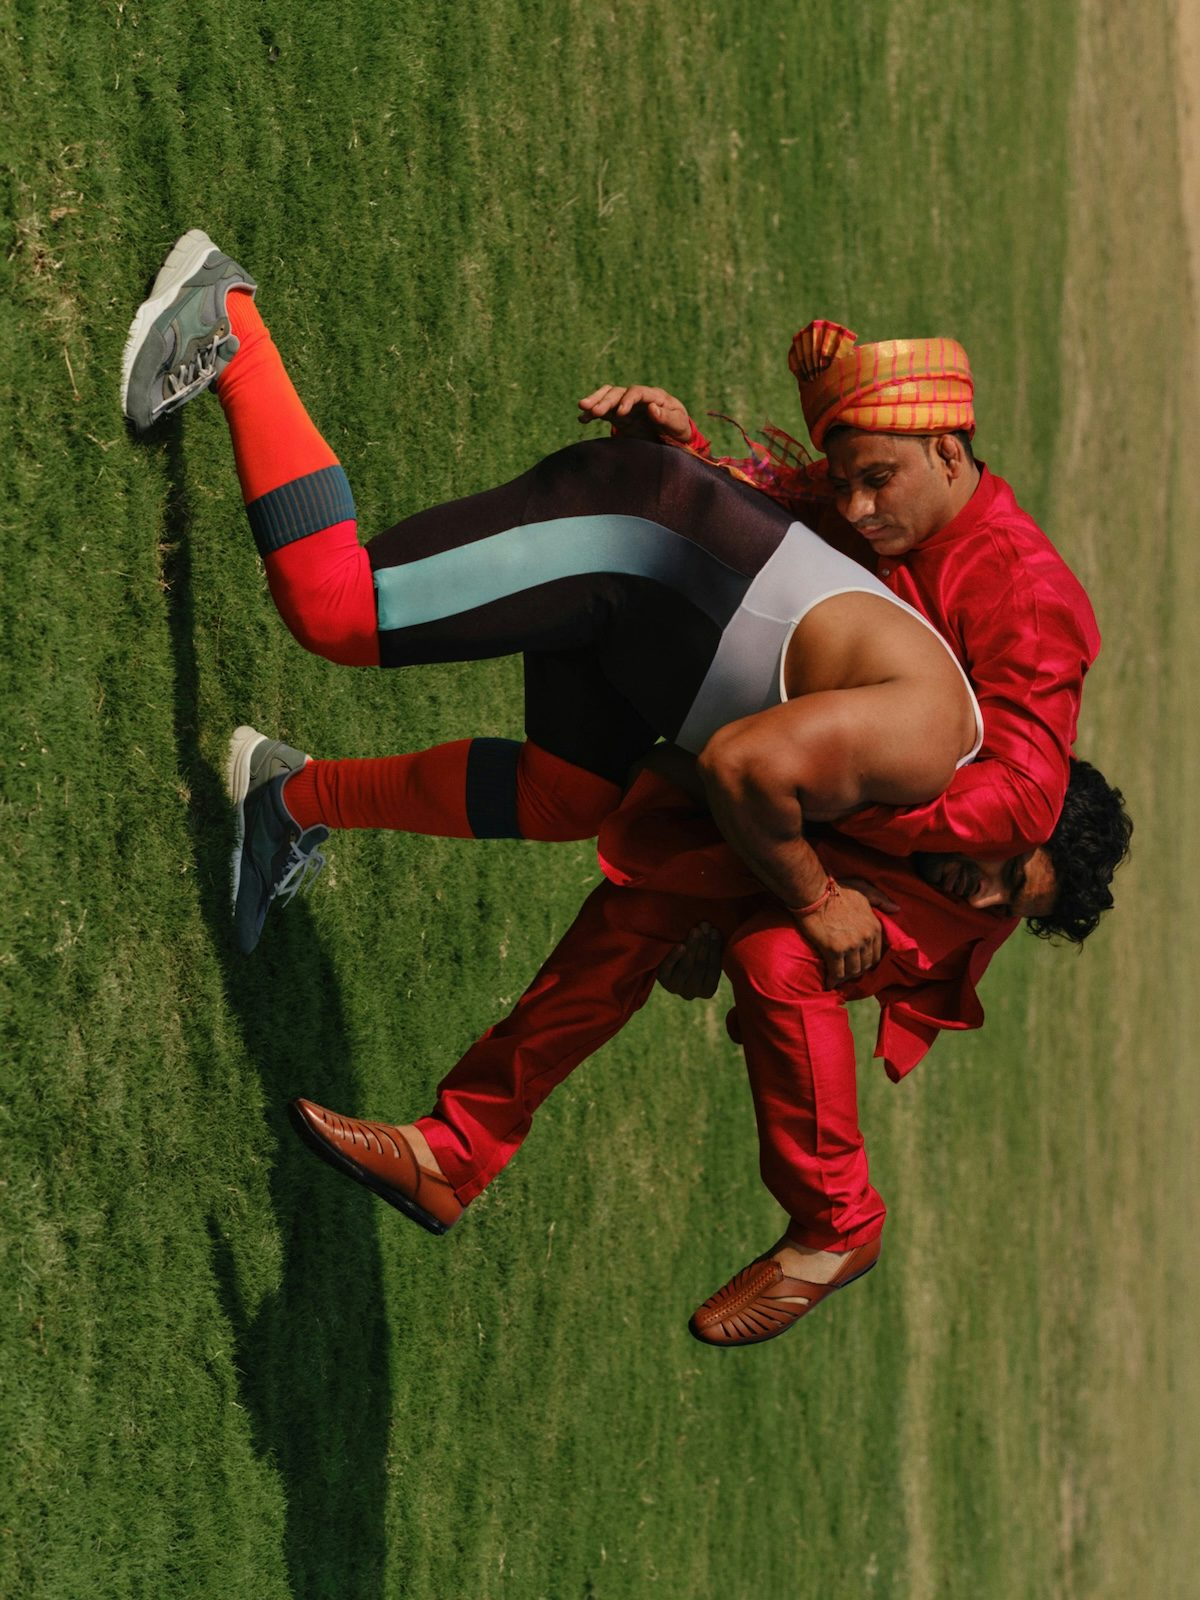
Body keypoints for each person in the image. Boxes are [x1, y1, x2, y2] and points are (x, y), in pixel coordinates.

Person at [124, 234, 987, 979]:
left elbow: (681, 780)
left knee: (566, 798)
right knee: (335, 608)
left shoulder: (901, 793)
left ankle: (287, 799)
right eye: (1004, 882)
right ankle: (230, 321)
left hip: (650, 626)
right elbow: (739, 768)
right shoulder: (927, 748)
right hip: (635, 535)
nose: (976, 899)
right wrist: (816, 900)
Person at [285, 757, 1132, 1347]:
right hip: (745, 795)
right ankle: (452, 1152)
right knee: (639, 915)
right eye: (1006, 867)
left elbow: (800, 992)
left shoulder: (952, 918)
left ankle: (840, 1220)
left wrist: (737, 954)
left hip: (764, 843)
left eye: (1009, 904)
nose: (983, 891)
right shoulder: (938, 763)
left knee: (772, 953)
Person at [578, 319, 1101, 857]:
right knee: (574, 796)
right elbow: (767, 513)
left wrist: (839, 794)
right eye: (843, 486)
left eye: (877, 482)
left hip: (847, 848)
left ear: (947, 454)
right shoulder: (863, 508)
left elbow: (1022, 798)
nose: (856, 510)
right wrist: (676, 449)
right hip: (751, 770)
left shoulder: (1028, 596)